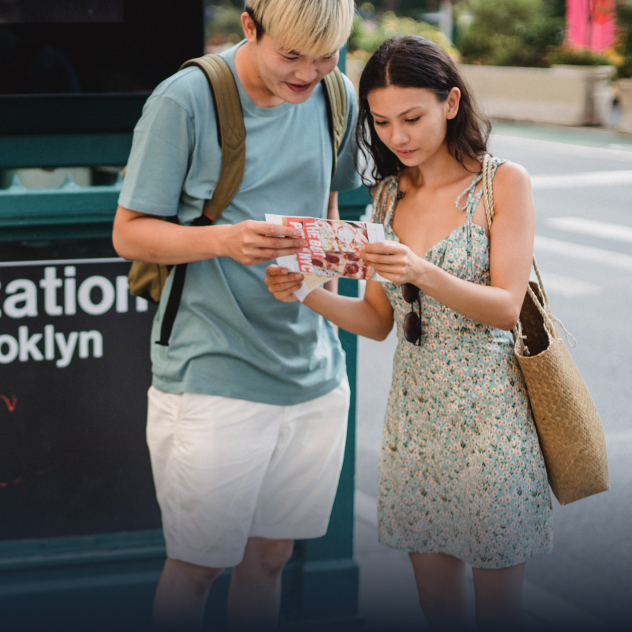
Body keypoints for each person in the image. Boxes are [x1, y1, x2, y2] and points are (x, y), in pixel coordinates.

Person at [265, 35, 553, 631]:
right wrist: (308, 291)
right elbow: (376, 322)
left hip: (493, 419)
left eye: (413, 117)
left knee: (500, 609)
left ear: (451, 103)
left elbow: (504, 307)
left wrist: (422, 270)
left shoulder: (503, 184)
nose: (399, 136)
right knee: (437, 608)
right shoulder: (388, 195)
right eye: (383, 122)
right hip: (415, 421)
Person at [112, 0, 358, 629]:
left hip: (315, 372)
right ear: (250, 28)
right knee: (197, 568)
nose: (309, 75)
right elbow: (130, 233)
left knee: (271, 558)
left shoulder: (336, 95)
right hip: (212, 369)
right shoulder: (185, 100)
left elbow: (326, 209)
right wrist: (224, 240)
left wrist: (332, 258)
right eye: (292, 56)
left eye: (326, 56)